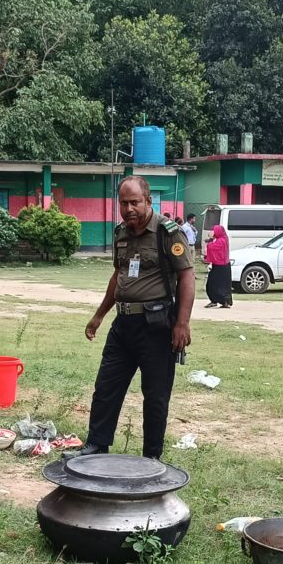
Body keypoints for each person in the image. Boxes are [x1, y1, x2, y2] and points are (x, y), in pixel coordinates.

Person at [67, 176, 195, 460]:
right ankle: (97, 446)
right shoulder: (120, 233)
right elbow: (118, 276)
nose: (129, 208)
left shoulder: (167, 232)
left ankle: (151, 457)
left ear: (148, 201)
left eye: (135, 202)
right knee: (106, 387)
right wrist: (99, 315)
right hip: (122, 325)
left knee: (155, 395)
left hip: (157, 325)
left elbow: (187, 276)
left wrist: (182, 323)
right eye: (123, 203)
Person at [203, 224, 233, 309]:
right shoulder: (223, 238)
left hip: (221, 266)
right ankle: (218, 301)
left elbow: (211, 247)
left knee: (216, 284)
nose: (214, 232)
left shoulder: (221, 241)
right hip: (221, 266)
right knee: (218, 284)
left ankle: (221, 301)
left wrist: (210, 240)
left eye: (215, 231)